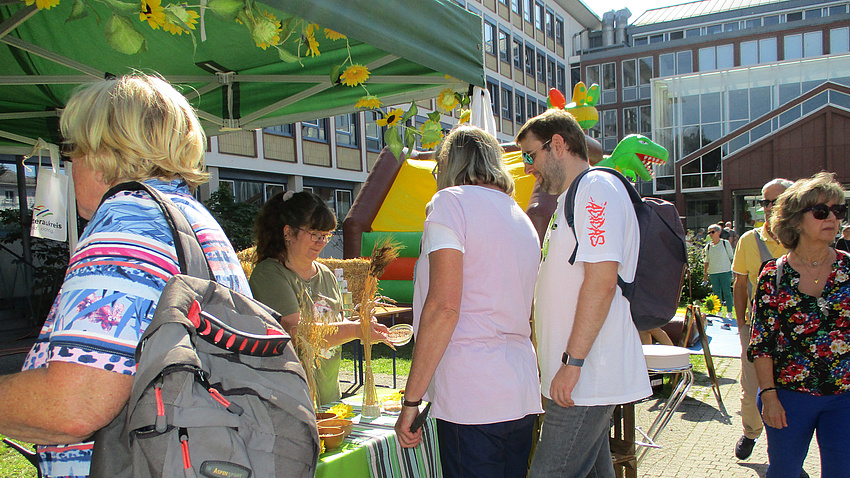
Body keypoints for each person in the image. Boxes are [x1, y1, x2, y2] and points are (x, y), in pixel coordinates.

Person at [0, 74, 250, 478]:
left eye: (72, 147)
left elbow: (74, 405)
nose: (69, 161)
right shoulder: (193, 219)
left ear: (102, 151)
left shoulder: (127, 225)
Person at [394, 126, 543, 477]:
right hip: (519, 388)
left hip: (471, 393)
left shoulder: (450, 203)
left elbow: (443, 308)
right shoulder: (520, 216)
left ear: (447, 164)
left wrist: (411, 401)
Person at [516, 109, 650, 477]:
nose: (528, 167)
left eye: (530, 154)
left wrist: (571, 364)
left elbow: (602, 281)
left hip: (586, 377)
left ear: (557, 144)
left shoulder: (596, 189)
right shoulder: (573, 195)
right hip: (580, 378)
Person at [749, 172, 850, 477]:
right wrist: (768, 395)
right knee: (785, 471)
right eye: (821, 212)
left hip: (844, 397)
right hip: (789, 397)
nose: (832, 217)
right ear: (795, 220)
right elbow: (761, 342)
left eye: (838, 211)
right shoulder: (773, 275)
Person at [249, 191, 390, 406]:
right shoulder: (269, 274)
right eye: (315, 233)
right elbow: (298, 333)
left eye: (326, 235)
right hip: (288, 403)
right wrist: (355, 330)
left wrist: (362, 325)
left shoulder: (326, 275)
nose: (321, 242)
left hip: (329, 399)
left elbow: (334, 326)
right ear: (288, 232)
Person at [731, 178, 793, 460]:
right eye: (765, 201)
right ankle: (751, 432)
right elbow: (740, 284)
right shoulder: (749, 240)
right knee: (752, 386)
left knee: (789, 391)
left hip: (796, 331)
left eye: (774, 201)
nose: (768, 207)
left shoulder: (802, 239)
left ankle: (785, 454)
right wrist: (741, 324)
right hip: (757, 328)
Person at [703, 224, 735, 320]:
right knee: (716, 293)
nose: (711, 234)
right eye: (709, 232)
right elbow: (706, 261)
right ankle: (718, 311)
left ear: (719, 232)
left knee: (727, 292)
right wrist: (705, 274)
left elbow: (731, 258)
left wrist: (733, 272)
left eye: (713, 232)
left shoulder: (725, 243)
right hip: (713, 272)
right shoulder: (708, 246)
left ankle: (729, 312)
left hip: (725, 271)